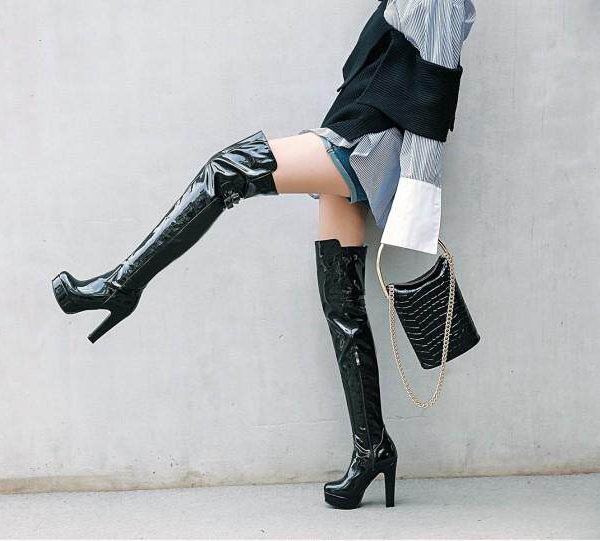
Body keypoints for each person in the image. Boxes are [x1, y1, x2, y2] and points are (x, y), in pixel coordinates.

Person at [52, 0, 476, 510]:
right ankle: (372, 448)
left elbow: (435, 86)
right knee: (342, 306)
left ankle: (122, 285)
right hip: (346, 133)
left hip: (362, 145)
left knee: (226, 170)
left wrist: (416, 199)